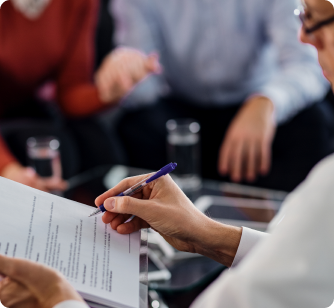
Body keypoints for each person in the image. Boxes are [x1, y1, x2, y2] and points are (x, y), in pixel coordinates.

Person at [1, 0, 334, 307]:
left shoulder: (326, 189)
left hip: (254, 99)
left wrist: (59, 298)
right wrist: (205, 234)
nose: (303, 36)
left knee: (311, 124)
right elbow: (310, 262)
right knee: (129, 128)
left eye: (311, 18)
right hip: (173, 103)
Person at [96, 0, 333, 192]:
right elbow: (144, 89)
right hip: (179, 109)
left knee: (313, 123)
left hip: (254, 107)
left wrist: (267, 102)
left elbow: (305, 62)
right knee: (137, 127)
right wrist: (125, 77)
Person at [0, 0, 159, 192]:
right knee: (58, 154)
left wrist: (109, 91)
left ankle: (105, 219)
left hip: (27, 107)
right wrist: (7, 169)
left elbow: (70, 91)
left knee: (99, 147)